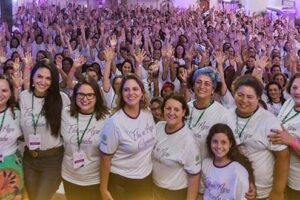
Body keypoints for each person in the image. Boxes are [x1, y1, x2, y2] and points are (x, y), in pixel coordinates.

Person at [229, 75, 289, 200]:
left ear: (258, 98)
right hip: (234, 187)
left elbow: (283, 157)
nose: (244, 100)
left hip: (263, 191)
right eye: (240, 95)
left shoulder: (269, 121)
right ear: (234, 94)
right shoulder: (226, 115)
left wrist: (278, 192)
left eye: (250, 97)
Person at [99, 73, 156, 200]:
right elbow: (105, 160)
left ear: (142, 92)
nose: (131, 93)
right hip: (122, 183)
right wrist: (103, 189)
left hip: (146, 179)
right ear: (121, 94)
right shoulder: (114, 122)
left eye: (135, 89)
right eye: (126, 89)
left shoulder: (147, 112)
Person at [20, 59, 70, 200]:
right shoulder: (24, 96)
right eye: (39, 76)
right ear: (33, 77)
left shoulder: (61, 98)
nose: (43, 81)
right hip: (29, 158)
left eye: (48, 78)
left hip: (52, 159)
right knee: (33, 195)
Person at [61, 78, 109, 200]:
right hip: (69, 176)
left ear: (97, 96)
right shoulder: (66, 113)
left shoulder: (106, 118)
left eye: (90, 95)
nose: (85, 98)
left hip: (94, 179)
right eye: (81, 94)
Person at [152, 93, 201, 200]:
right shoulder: (159, 127)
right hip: (154, 188)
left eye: (176, 110)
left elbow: (194, 176)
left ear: (183, 112)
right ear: (163, 110)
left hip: (175, 194)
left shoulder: (189, 141)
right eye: (168, 108)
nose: (171, 113)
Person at [200, 123, 254, 200]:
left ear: (230, 144)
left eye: (223, 142)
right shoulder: (205, 164)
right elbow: (201, 193)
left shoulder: (238, 171)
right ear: (210, 143)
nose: (219, 146)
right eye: (215, 141)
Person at [268, 73, 300, 200]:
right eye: (295, 87)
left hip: (297, 182)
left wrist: (292, 141)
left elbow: (288, 138)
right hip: (281, 174)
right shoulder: (289, 103)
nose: (298, 92)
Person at [0, 75, 24, 199]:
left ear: (10, 93)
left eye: (4, 90)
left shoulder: (17, 114)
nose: (0, 94)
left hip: (11, 165)